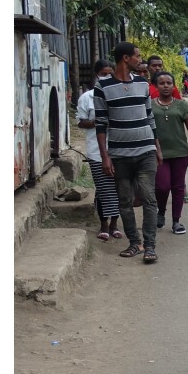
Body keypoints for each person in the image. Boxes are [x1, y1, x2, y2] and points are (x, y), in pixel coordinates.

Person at [95, 41, 162, 264]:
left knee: (149, 198)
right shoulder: (102, 87)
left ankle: (150, 246)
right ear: (125, 58)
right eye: (137, 56)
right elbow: (101, 124)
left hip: (146, 152)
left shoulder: (143, 83)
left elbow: (150, 117)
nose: (140, 60)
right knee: (125, 201)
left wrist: (156, 147)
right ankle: (135, 243)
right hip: (120, 155)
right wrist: (105, 157)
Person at [151, 72, 188, 235]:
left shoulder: (181, 105)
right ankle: (161, 211)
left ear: (174, 86)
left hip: (180, 152)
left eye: (169, 83)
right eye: (162, 83)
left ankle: (176, 221)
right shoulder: (149, 105)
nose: (165, 86)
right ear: (156, 86)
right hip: (158, 153)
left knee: (178, 187)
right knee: (162, 186)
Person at [76, 59, 121, 241]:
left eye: (110, 74)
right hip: (97, 151)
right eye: (103, 73)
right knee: (103, 189)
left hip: (119, 149)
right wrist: (98, 121)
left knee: (119, 188)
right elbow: (81, 121)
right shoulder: (87, 98)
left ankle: (114, 225)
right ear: (96, 75)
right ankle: (103, 225)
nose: (107, 77)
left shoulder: (118, 95)